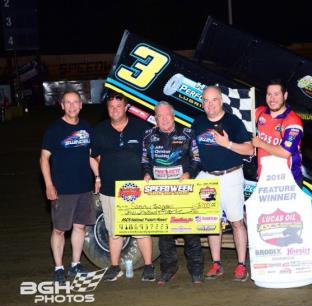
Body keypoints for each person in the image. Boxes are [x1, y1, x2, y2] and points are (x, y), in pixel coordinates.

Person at [91, 91, 155, 282]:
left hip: (136, 189)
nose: (115, 110)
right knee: (113, 229)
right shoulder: (99, 130)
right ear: (107, 109)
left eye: (119, 106)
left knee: (141, 229)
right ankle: (114, 266)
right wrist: (97, 177)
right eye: (111, 107)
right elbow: (93, 157)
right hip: (110, 188)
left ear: (126, 107)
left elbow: (151, 153)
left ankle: (149, 266)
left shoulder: (141, 127)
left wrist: (148, 173)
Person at [192, 85, 254, 282]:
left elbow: (250, 150)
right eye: (206, 101)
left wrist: (227, 144)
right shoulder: (198, 122)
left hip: (231, 176)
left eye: (214, 100)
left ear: (221, 101)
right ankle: (216, 263)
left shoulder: (232, 121)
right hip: (207, 177)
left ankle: (242, 265)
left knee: (237, 222)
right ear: (202, 103)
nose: (210, 104)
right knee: (212, 223)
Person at [142, 100, 203, 284]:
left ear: (173, 115)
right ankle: (169, 269)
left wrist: (189, 173)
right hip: (160, 193)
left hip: (184, 191)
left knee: (190, 232)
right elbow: (144, 160)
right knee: (164, 235)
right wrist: (146, 172)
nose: (164, 119)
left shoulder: (188, 134)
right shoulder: (148, 135)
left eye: (167, 115)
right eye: (159, 116)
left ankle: (196, 271)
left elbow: (197, 160)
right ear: (155, 118)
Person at [40, 90, 98, 284]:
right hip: (62, 189)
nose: (72, 106)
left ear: (81, 105)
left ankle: (75, 264)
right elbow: (44, 158)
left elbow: (91, 156)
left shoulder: (87, 127)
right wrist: (49, 184)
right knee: (59, 229)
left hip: (84, 187)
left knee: (80, 227)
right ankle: (58, 267)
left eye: (76, 102)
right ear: (62, 105)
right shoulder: (54, 129)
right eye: (68, 103)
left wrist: (98, 177)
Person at [252, 79, 304, 185]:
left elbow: (285, 152)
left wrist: (261, 143)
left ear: (285, 96)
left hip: (287, 181)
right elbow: (240, 118)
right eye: (269, 94)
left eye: (276, 94)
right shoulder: (260, 112)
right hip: (264, 178)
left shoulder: (293, 121)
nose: (272, 99)